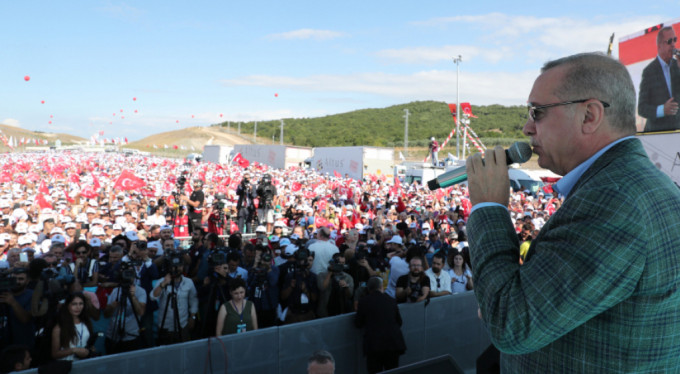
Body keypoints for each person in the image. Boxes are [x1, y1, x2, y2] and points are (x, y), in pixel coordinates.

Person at [465, 52, 680, 371]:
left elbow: (511, 323)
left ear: (589, 116)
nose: (526, 127)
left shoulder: (612, 200)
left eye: (536, 112)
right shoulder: (641, 185)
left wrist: (488, 208)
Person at [355, 277, 406, 374]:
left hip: (374, 346)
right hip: (393, 343)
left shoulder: (363, 302)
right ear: (381, 287)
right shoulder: (391, 300)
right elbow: (399, 322)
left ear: (368, 288)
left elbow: (358, 323)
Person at [637, 26, 680, 132]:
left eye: (675, 40)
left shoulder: (677, 66)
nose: (673, 44)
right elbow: (642, 109)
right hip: (657, 134)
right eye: (669, 41)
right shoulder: (649, 72)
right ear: (659, 45)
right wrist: (662, 110)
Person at [51, 292, 96, 361]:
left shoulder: (86, 322)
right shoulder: (59, 328)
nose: (78, 307)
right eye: (74, 304)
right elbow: (55, 354)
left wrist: (90, 350)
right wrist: (74, 350)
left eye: (81, 304)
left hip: (84, 364)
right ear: (67, 305)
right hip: (66, 366)